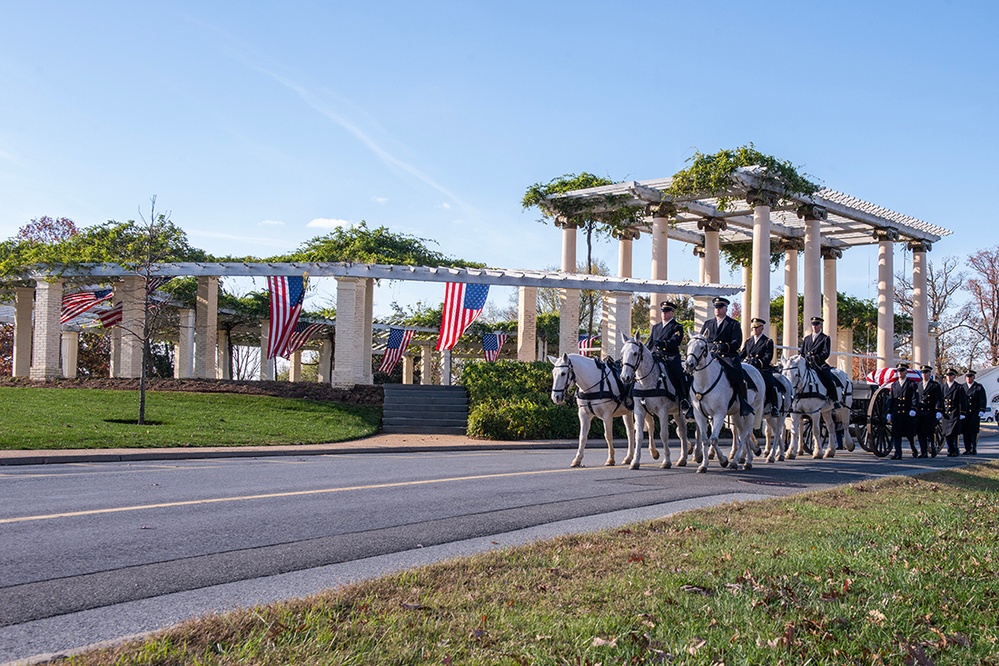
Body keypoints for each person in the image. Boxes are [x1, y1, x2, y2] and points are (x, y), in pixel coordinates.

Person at [700, 296, 754, 416]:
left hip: (727, 356)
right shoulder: (708, 323)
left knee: (738, 374)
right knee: (696, 373)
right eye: (716, 308)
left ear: (725, 308)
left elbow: (737, 342)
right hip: (711, 356)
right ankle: (693, 404)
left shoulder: (733, 324)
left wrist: (725, 346)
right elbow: (702, 340)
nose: (717, 310)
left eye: (720, 307)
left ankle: (743, 403)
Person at [648, 301, 693, 418]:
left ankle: (683, 399)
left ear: (672, 313)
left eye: (667, 311)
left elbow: (675, 341)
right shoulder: (656, 327)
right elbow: (649, 342)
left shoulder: (677, 326)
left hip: (670, 356)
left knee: (678, 374)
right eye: (663, 311)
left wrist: (662, 343)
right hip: (656, 356)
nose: (664, 313)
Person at [740, 317, 779, 417]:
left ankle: (774, 406)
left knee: (770, 382)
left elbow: (768, 356)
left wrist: (757, 362)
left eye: (757, 327)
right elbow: (743, 354)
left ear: (762, 328)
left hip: (762, 368)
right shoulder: (748, 341)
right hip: (748, 367)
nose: (755, 330)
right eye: (753, 328)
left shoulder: (767, 341)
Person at [800, 316, 841, 407]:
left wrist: (815, 357)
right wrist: (805, 358)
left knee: (828, 378)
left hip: (819, 364)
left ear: (820, 326)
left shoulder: (825, 338)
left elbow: (826, 353)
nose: (814, 326)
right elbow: (802, 352)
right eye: (813, 324)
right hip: (807, 364)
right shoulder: (807, 339)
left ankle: (835, 400)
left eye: (817, 324)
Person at [887, 361, 918, 459]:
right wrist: (889, 411)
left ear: (906, 372)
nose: (900, 373)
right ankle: (898, 453)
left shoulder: (911, 384)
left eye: (902, 371)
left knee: (909, 434)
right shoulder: (894, 385)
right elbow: (891, 400)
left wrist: (913, 408)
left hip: (907, 413)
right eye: (898, 371)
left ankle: (913, 449)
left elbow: (914, 398)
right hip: (897, 413)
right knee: (896, 434)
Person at [914, 365, 943, 458]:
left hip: (930, 412)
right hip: (920, 412)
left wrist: (938, 410)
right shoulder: (918, 385)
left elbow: (938, 398)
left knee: (929, 432)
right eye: (922, 373)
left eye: (926, 373)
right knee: (920, 433)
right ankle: (923, 452)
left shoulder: (935, 385)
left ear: (929, 374)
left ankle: (933, 448)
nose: (924, 375)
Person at [940, 368, 968, 457]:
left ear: (954, 376)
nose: (949, 377)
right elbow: (940, 400)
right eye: (947, 375)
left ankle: (955, 449)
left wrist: (962, 413)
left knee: (954, 433)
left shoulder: (959, 387)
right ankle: (950, 449)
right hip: (946, 413)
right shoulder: (942, 387)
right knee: (947, 433)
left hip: (955, 412)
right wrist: (940, 411)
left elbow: (962, 401)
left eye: (951, 375)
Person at [961, 369, 987, 455]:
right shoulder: (962, 387)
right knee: (965, 431)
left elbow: (982, 399)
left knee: (973, 432)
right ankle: (967, 448)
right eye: (967, 377)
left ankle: (973, 448)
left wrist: (982, 409)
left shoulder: (978, 387)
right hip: (965, 413)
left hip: (974, 413)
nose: (968, 378)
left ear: (974, 377)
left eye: (970, 376)